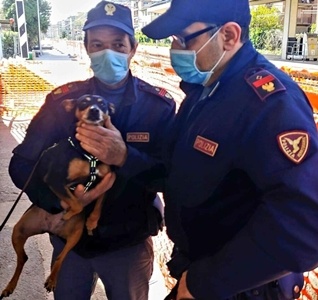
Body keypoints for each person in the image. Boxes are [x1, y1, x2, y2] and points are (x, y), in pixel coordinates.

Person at [142, 0, 318, 299]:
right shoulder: (206, 89)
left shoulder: (269, 103)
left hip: (241, 285)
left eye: (185, 39)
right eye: (173, 40)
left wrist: (204, 282)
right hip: (202, 272)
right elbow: (176, 168)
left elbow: (306, 226)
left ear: (229, 35)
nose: (175, 50)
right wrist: (124, 158)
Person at [9, 1, 175, 300]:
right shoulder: (63, 103)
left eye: (117, 44)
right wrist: (60, 202)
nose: (107, 52)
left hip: (128, 245)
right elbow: (22, 165)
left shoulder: (158, 108)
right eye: (97, 44)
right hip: (70, 244)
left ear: (133, 48)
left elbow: (170, 178)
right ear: (86, 47)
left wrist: (125, 157)